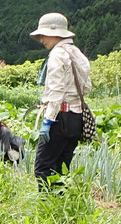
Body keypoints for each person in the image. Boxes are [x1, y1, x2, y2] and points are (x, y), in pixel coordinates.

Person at [30, 13, 91, 189]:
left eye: (44, 35)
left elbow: (56, 93)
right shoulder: (78, 54)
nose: (41, 40)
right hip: (76, 118)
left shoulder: (57, 54)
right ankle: (62, 204)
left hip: (59, 117)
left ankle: (47, 208)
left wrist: (47, 121)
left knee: (43, 167)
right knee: (61, 167)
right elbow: (86, 87)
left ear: (56, 33)